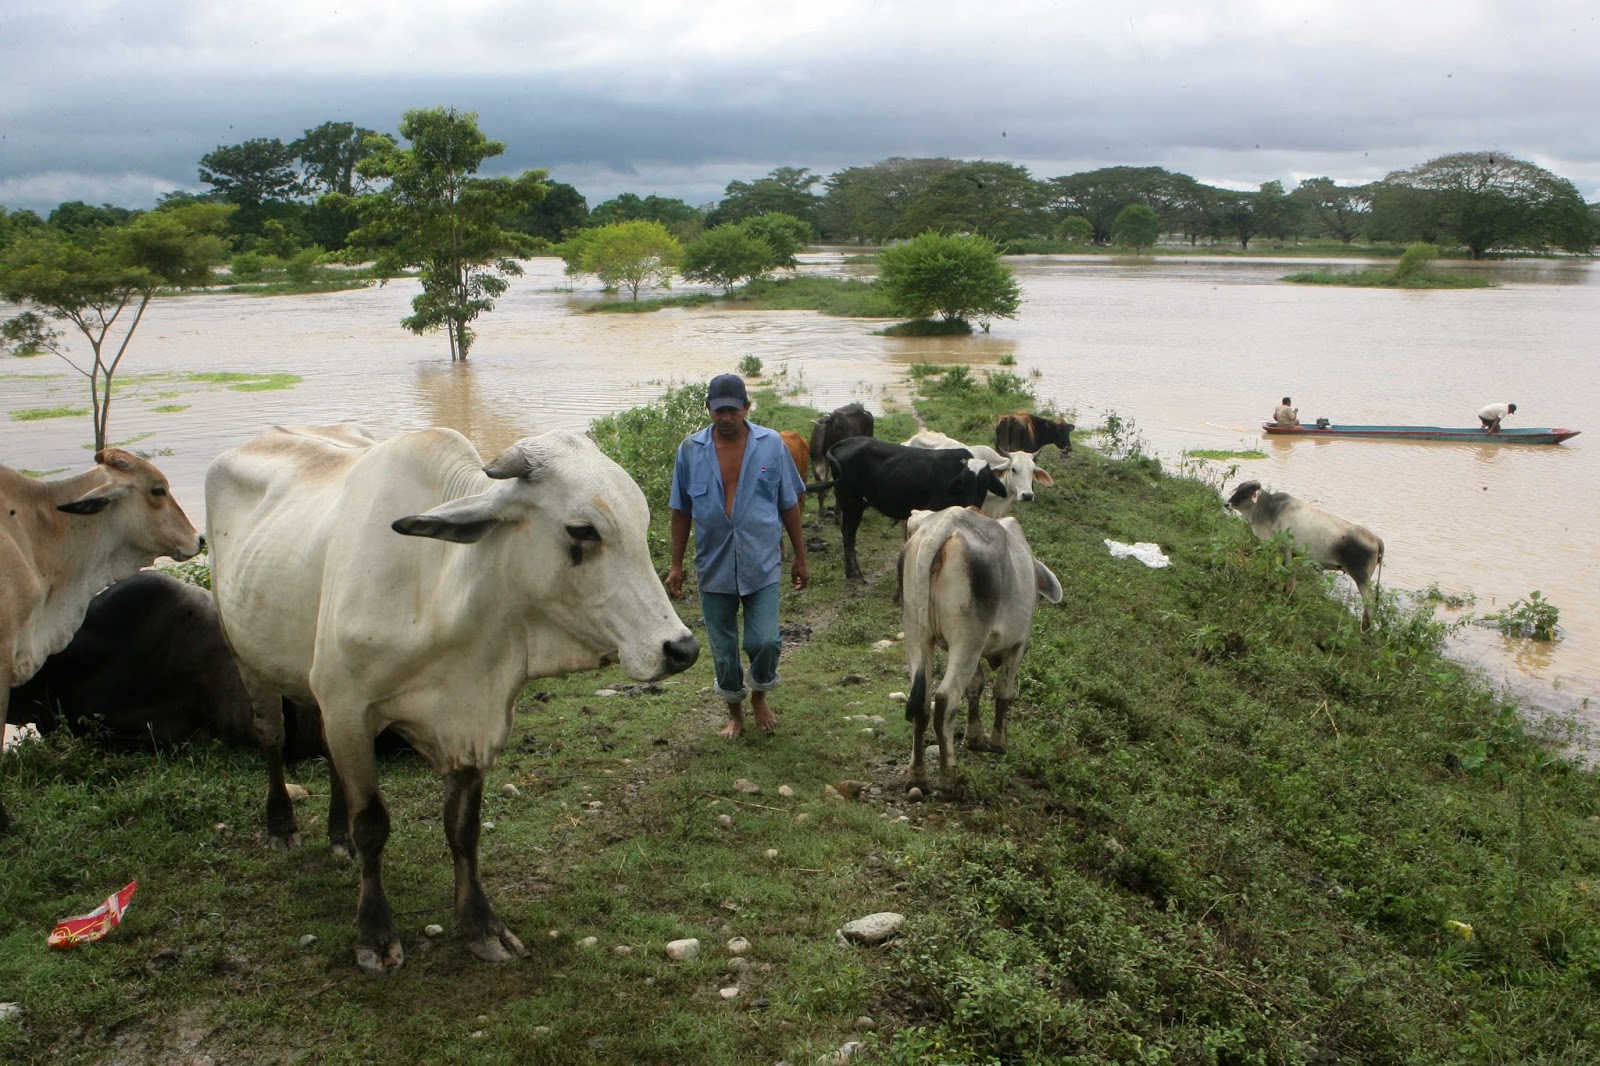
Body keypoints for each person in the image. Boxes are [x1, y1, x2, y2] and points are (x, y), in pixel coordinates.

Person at [667, 374, 808, 738]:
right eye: (719, 411)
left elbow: (789, 503)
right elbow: (680, 511)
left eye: (732, 410)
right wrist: (676, 565)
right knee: (724, 648)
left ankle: (760, 694)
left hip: (761, 561)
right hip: (713, 566)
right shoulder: (690, 451)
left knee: (765, 640)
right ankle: (735, 713)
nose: (726, 418)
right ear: (709, 410)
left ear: (746, 408)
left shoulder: (772, 445)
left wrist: (800, 556)